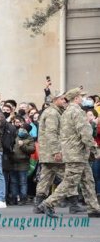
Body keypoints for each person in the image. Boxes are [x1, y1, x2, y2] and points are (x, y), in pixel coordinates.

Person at [38, 87, 100, 218]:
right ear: (76, 98)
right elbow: (85, 133)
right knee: (70, 182)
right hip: (76, 154)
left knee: (88, 181)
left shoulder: (66, 111)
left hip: (76, 153)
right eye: (82, 97)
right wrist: (95, 149)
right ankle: (48, 203)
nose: (84, 99)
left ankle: (94, 208)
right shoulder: (77, 112)